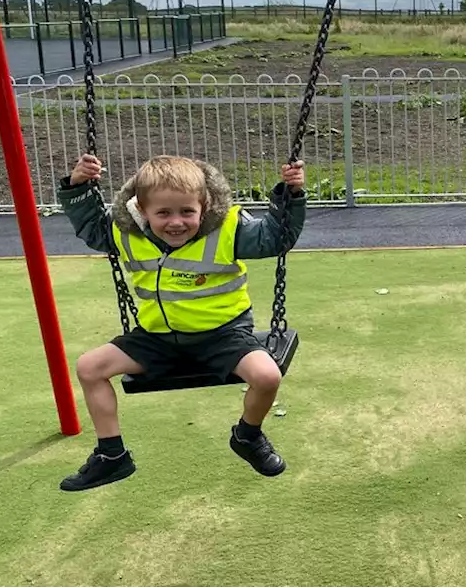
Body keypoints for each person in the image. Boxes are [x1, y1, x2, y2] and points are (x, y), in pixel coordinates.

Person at [55, 153, 307, 492]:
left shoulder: (227, 229)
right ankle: (112, 456)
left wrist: (290, 195)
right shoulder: (124, 233)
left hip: (223, 335)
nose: (176, 222)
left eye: (187, 211)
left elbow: (275, 238)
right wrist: (78, 187)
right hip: (156, 337)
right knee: (89, 367)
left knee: (267, 376)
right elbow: (90, 226)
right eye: (163, 213)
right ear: (142, 211)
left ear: (203, 205)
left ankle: (248, 435)